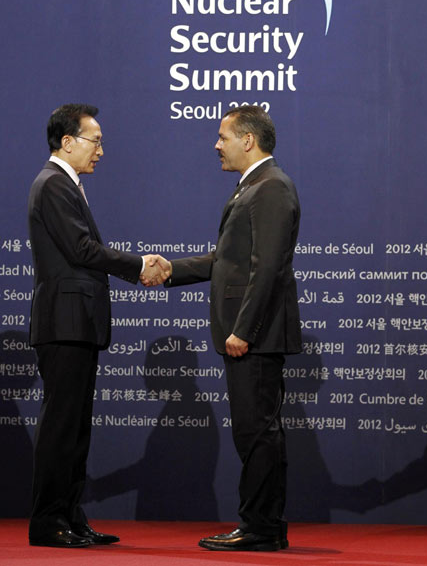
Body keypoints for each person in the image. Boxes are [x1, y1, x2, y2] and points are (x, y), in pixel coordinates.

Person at [28, 104, 170, 548]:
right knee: (61, 428)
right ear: (67, 141)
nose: (101, 151)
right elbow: (82, 249)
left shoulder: (66, 184)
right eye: (96, 141)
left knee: (76, 429)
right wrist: (139, 265)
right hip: (64, 323)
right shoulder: (53, 184)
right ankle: (49, 521)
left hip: (78, 323)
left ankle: (71, 516)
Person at [163, 105, 302, 551]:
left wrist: (244, 330)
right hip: (249, 333)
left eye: (223, 137)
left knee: (257, 431)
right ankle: (263, 524)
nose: (216, 145)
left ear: (248, 140)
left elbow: (268, 268)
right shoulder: (253, 186)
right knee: (252, 430)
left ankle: (261, 527)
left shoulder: (271, 187)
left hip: (255, 335)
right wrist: (170, 270)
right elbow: (229, 260)